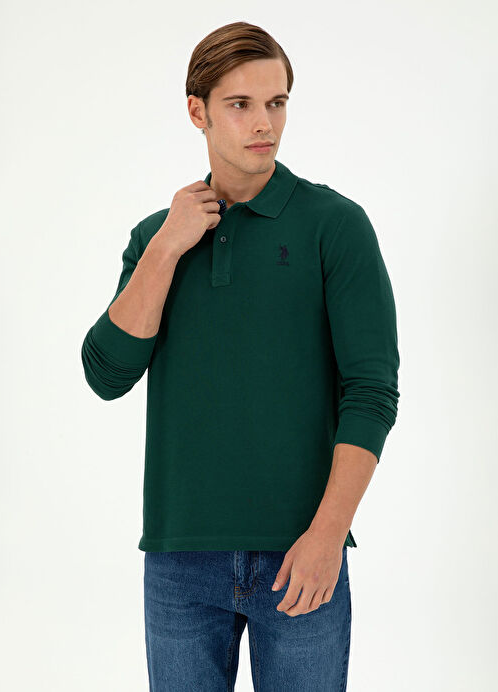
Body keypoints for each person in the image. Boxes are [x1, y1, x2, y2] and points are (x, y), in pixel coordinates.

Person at [81, 21, 400, 692]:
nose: (264, 123)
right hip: (179, 561)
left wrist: (327, 536)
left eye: (276, 103)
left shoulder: (334, 226)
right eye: (240, 104)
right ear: (196, 112)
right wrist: (168, 247)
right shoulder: (157, 237)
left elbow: (370, 392)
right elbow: (106, 373)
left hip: (302, 554)